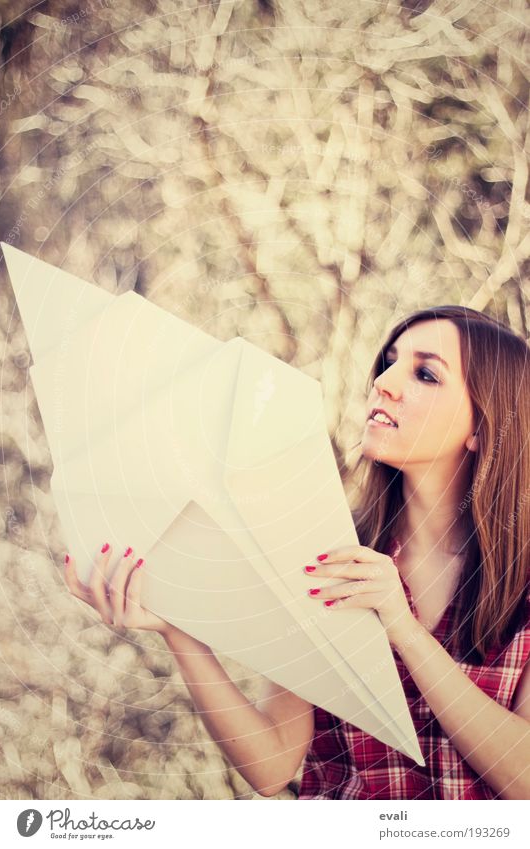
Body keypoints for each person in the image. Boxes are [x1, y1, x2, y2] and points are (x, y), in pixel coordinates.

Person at [63, 305, 530, 800]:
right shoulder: (325, 549)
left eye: (425, 373)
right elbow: (274, 763)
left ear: (484, 426)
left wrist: (405, 631)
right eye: (389, 363)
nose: (385, 382)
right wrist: (178, 629)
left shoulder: (521, 583)